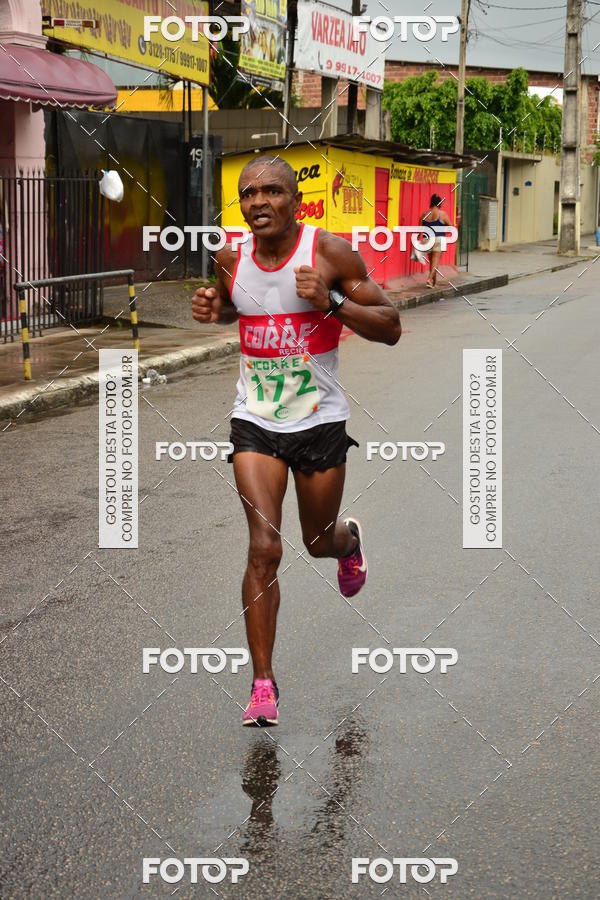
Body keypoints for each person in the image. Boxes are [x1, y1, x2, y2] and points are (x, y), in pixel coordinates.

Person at [192, 155, 401, 727]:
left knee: (314, 540)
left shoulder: (330, 253)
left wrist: (332, 302)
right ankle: (263, 683)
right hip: (255, 421)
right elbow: (239, 303)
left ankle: (348, 541)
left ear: (297, 202)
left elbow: (391, 325)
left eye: (272, 192)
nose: (258, 202)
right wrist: (216, 308)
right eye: (248, 193)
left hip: (319, 421)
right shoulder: (230, 257)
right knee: (265, 547)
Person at [419, 193, 452, 288]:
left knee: (432, 263)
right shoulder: (442, 214)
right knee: (436, 262)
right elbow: (450, 227)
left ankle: (434, 283)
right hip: (438, 239)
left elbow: (419, 229)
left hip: (426, 240)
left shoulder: (424, 214)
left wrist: (417, 240)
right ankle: (429, 279)